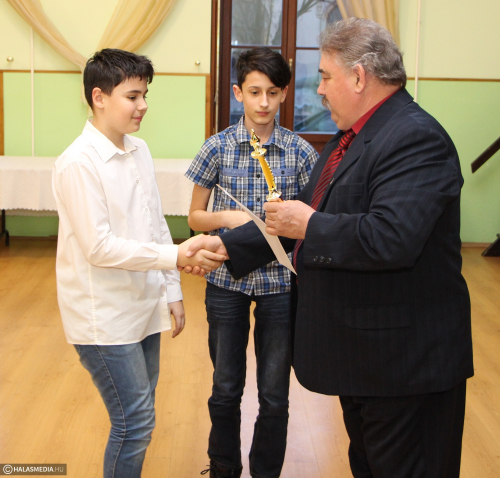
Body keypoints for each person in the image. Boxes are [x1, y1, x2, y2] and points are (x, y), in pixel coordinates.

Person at [184, 19, 474, 478]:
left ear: (358, 77)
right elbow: (292, 221)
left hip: (405, 366)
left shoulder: (415, 137)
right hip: (367, 360)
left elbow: (390, 238)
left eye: (324, 76)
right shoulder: (350, 138)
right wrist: (223, 245)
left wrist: (310, 223)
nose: (318, 90)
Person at [52, 49, 225, 478]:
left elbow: (154, 225)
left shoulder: (139, 150)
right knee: (135, 421)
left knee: (141, 412)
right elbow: (99, 248)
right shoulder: (78, 162)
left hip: (143, 305)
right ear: (99, 97)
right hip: (103, 316)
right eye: (132, 96)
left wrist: (172, 291)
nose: (142, 105)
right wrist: (177, 256)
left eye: (145, 95)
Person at [185, 47, 318, 478]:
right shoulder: (217, 147)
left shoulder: (300, 152)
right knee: (225, 387)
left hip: (281, 284)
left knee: (275, 394)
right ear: (238, 92)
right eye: (255, 92)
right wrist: (229, 218)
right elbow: (194, 217)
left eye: (273, 93)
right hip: (226, 281)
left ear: (284, 95)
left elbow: (311, 221)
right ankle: (223, 467)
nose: (264, 102)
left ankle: (266, 471)